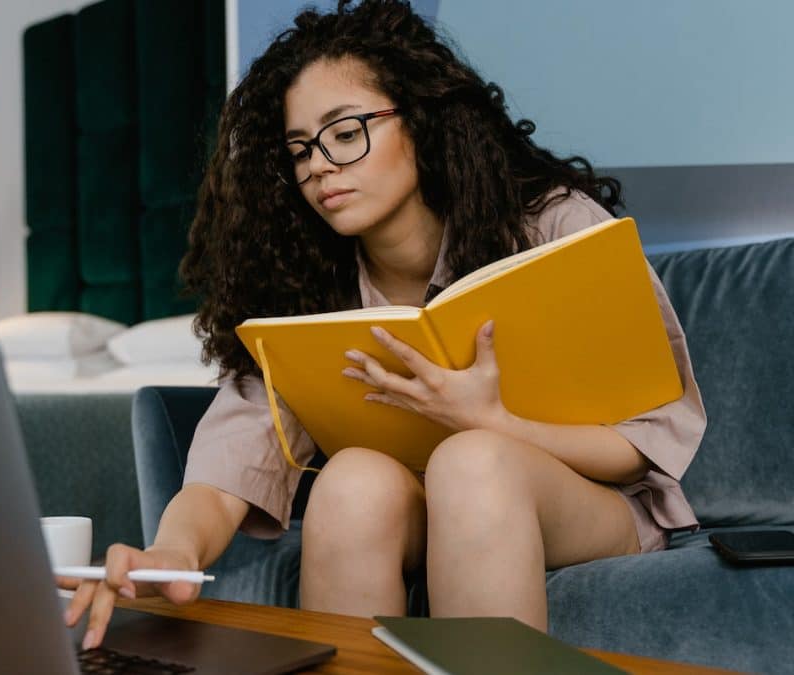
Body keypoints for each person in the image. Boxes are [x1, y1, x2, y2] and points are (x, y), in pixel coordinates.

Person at [60, 0, 706, 650]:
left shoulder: (555, 225)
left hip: (594, 504)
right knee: (350, 481)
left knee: (472, 460)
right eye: (300, 149)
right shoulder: (307, 288)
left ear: (423, 121)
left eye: (345, 133)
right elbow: (227, 468)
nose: (318, 166)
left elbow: (643, 440)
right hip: (424, 505)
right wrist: (172, 549)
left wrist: (494, 422)